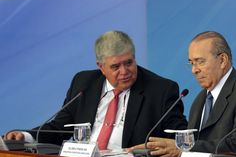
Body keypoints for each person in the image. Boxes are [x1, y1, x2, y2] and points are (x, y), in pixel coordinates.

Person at [5, 30, 187, 150]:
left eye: (129, 63)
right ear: (101, 66)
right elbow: (60, 128)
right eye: (115, 66)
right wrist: (26, 135)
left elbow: (177, 136)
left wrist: (174, 146)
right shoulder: (84, 83)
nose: (124, 72)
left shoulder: (161, 90)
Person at [129, 31, 236, 157]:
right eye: (191, 63)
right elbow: (196, 143)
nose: (194, 70)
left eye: (200, 62)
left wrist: (183, 148)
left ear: (222, 60)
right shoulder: (200, 99)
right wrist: (162, 148)